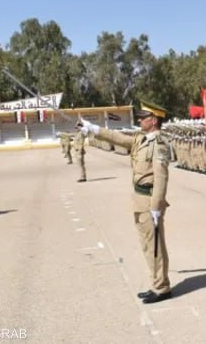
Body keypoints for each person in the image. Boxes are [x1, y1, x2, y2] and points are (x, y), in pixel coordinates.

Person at [79, 100, 174, 303]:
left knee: (155, 245)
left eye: (143, 118)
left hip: (150, 201)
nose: (140, 121)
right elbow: (119, 138)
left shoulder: (160, 143)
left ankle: (162, 288)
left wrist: (156, 206)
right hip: (139, 199)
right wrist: (94, 129)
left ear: (154, 120)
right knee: (147, 246)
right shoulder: (142, 139)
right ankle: (156, 283)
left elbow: (161, 177)